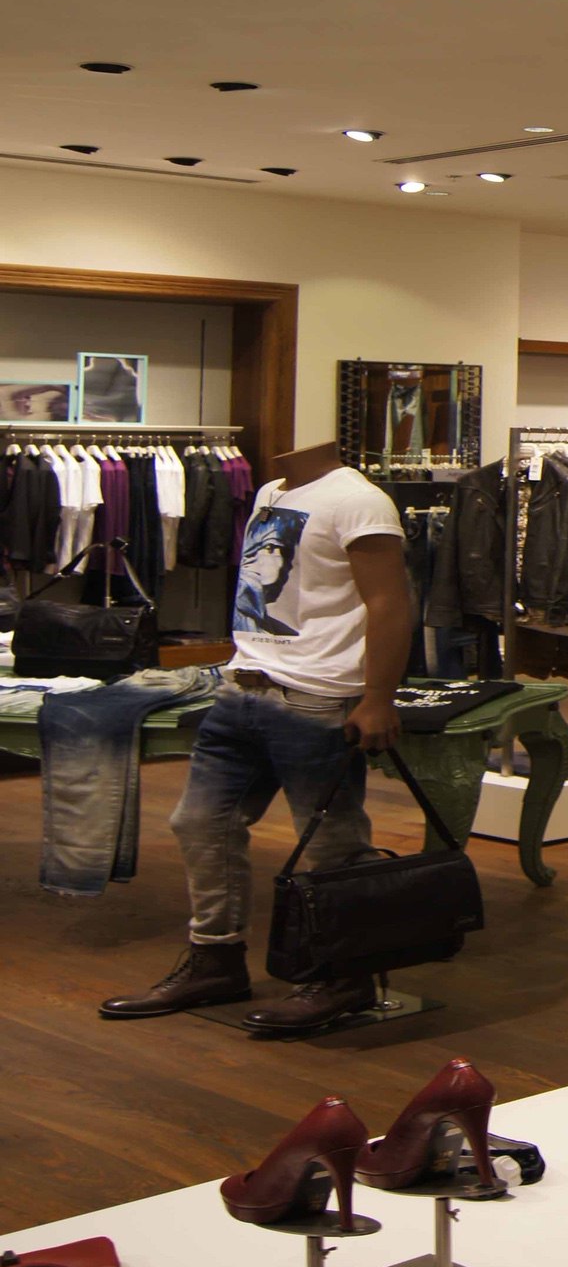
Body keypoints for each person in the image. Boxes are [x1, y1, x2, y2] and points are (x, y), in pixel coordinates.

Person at [100, 438, 415, 1034]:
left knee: (331, 843)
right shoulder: (273, 491)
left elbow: (390, 602)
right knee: (200, 822)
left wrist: (378, 696)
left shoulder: (359, 501)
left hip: (316, 696)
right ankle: (216, 959)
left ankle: (345, 976)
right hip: (243, 687)